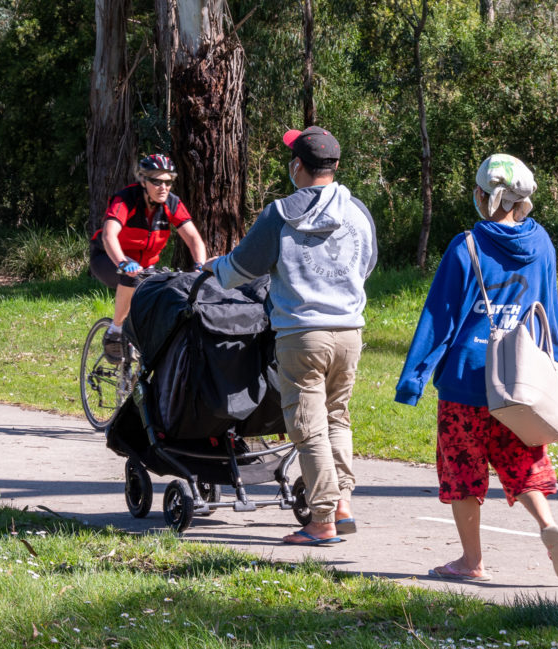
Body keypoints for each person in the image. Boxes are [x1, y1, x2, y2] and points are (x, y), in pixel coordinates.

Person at [394, 153, 558, 582]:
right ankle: (548, 526)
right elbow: (548, 309)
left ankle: (471, 561)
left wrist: (414, 379)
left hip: (466, 381)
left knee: (463, 472)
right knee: (524, 462)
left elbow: (440, 320)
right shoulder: (543, 245)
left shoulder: (467, 246)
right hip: (519, 381)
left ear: (488, 196)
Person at [204, 126, 377, 546]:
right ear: (334, 167)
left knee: (308, 426)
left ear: (297, 165)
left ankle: (321, 520)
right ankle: (342, 502)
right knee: (338, 417)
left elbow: (242, 268)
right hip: (350, 330)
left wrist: (214, 268)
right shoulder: (358, 211)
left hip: (303, 333)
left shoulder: (281, 213)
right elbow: (366, 263)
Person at [89, 154, 207, 362]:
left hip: (145, 264)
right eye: (156, 181)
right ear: (143, 181)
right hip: (108, 258)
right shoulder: (126, 200)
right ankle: (115, 332)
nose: (163, 187)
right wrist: (123, 262)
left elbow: (194, 239)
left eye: (168, 181)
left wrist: (200, 267)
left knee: (170, 289)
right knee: (131, 278)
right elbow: (109, 235)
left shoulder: (172, 203)